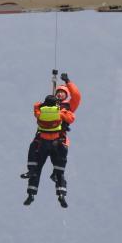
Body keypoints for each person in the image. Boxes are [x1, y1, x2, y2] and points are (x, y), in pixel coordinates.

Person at [22, 74, 80, 207]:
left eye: (63, 93)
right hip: (42, 139)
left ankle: (61, 194)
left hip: (58, 141)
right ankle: (31, 193)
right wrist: (46, 104)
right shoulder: (46, 106)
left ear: (66, 96)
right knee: (36, 167)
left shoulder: (68, 107)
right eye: (58, 93)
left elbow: (76, 97)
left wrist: (68, 82)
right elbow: (36, 109)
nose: (60, 95)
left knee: (59, 170)